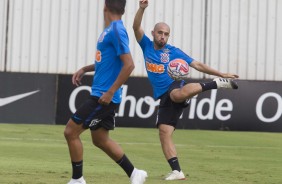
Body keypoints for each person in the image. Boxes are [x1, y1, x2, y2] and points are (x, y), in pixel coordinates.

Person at [133, 0, 239, 181]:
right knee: (164, 133)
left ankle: (215, 83)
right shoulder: (146, 46)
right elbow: (136, 27)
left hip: (175, 86)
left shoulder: (174, 51)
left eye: (166, 34)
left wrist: (221, 73)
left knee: (175, 94)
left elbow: (197, 64)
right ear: (153, 33)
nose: (163, 37)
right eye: (160, 33)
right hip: (162, 96)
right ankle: (177, 171)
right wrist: (142, 9)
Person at [64, 0, 148, 184]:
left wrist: (110, 92)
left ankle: (77, 179)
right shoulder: (111, 30)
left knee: (70, 132)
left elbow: (129, 65)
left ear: (105, 7)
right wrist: (85, 69)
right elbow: (107, 62)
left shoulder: (117, 30)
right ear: (124, 9)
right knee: (100, 139)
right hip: (103, 95)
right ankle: (135, 173)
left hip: (103, 97)